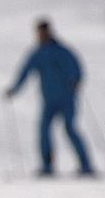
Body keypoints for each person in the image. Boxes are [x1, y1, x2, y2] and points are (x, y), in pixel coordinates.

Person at [6, 19, 95, 177]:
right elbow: (25, 72)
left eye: (42, 32)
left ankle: (86, 165)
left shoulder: (61, 51)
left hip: (67, 99)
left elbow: (76, 68)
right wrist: (14, 89)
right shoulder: (38, 53)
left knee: (70, 128)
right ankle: (47, 166)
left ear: (48, 31)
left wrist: (76, 80)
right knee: (44, 131)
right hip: (49, 101)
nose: (40, 35)